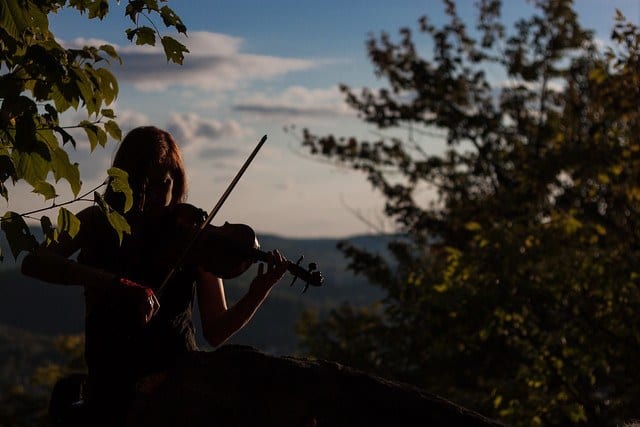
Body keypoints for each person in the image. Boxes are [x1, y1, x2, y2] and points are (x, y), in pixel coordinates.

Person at [21, 126, 288, 426]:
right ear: (121, 181)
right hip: (111, 384)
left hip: (178, 387)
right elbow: (34, 262)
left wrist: (257, 292)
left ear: (177, 180)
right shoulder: (97, 222)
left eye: (162, 184)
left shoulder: (190, 233)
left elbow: (215, 331)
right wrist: (112, 282)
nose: (149, 198)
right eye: (138, 186)